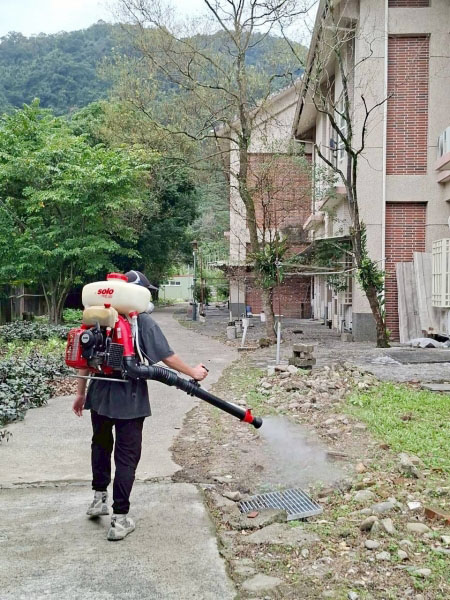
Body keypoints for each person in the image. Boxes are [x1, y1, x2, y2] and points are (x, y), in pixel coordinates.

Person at [72, 270, 208, 541]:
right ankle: (120, 519)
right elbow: (167, 357)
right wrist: (193, 372)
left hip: (99, 393)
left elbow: (85, 358)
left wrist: (80, 393)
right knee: (126, 456)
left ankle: (99, 498)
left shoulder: (97, 315)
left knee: (100, 445)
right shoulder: (140, 320)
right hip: (129, 398)